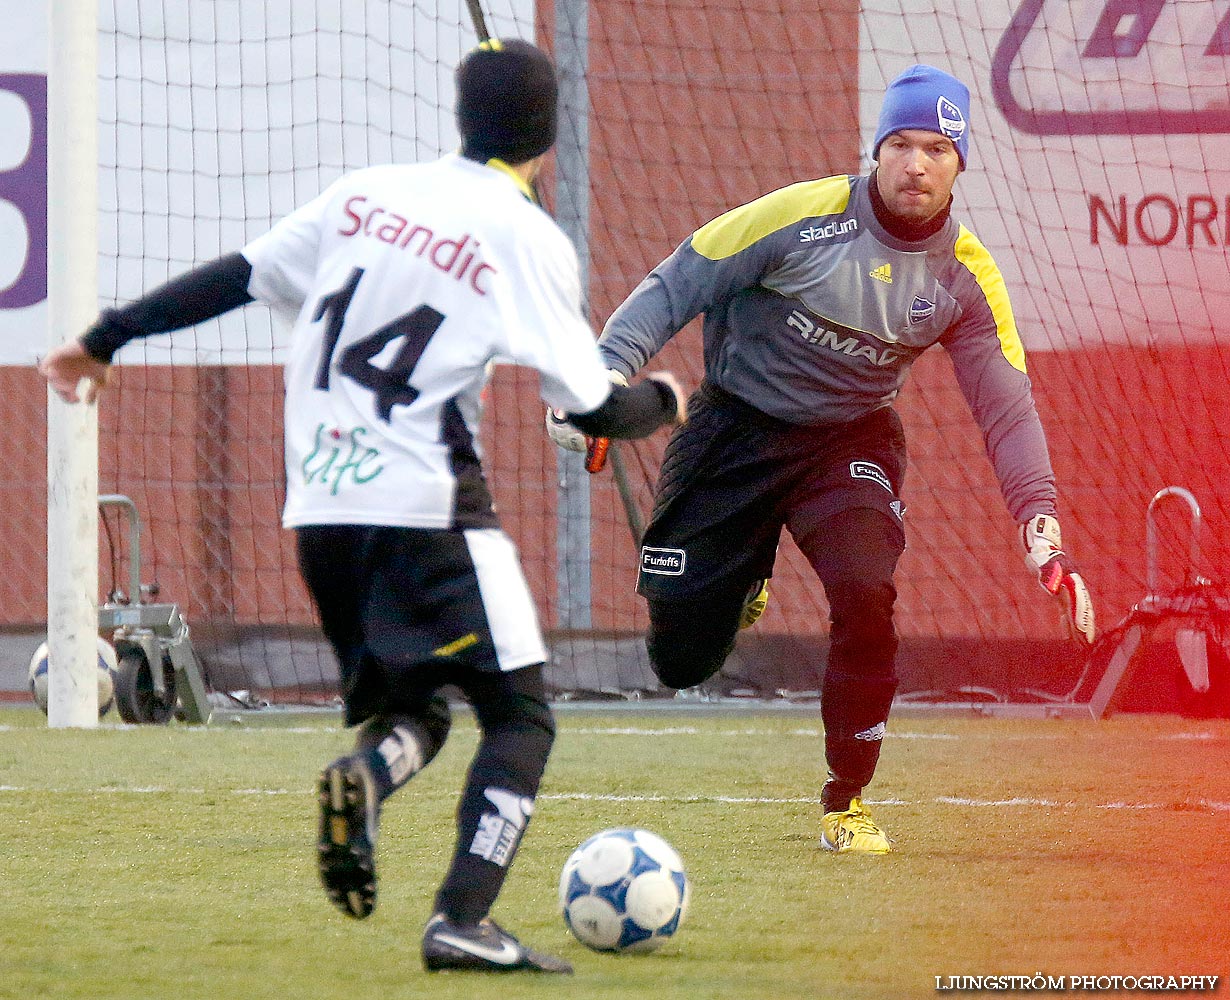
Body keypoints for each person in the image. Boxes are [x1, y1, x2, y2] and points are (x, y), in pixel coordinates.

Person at [41, 38, 684, 972]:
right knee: (520, 717)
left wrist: (106, 337)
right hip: (431, 507)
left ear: (461, 117)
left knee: (418, 706)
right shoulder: (527, 234)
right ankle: (463, 918)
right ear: (547, 138)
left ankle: (363, 779)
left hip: (321, 514)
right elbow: (592, 406)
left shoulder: (365, 196)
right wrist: (665, 397)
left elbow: (238, 274)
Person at [549, 64, 1093, 854]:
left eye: (938, 149)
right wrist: (600, 377)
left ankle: (847, 801)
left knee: (867, 592)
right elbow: (678, 281)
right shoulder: (800, 217)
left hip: (849, 441)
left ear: (961, 164)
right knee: (679, 660)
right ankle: (744, 578)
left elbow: (1007, 407)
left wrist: (1041, 526)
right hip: (733, 431)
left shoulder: (966, 277)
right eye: (901, 144)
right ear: (877, 149)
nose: (916, 164)